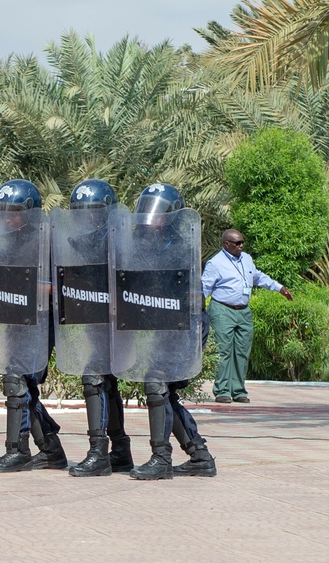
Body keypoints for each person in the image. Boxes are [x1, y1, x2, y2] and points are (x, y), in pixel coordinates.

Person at [119, 183, 215, 480]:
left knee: (156, 382)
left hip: (185, 327)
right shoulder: (140, 244)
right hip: (162, 325)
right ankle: (199, 456)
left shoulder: (181, 245)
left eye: (158, 211)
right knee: (164, 392)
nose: (152, 216)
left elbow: (192, 295)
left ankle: (161, 457)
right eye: (148, 208)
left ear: (172, 214)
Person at [0, 179, 67, 473]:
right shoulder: (6, 241)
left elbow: (56, 287)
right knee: (22, 387)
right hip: (13, 323)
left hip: (39, 324)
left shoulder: (46, 241)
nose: (8, 217)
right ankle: (51, 449)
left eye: (14, 211)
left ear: (30, 211)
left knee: (16, 382)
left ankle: (17, 450)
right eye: (3, 210)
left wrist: (20, 285)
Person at [61, 179, 135, 477]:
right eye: (81, 212)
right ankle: (120, 450)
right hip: (93, 320)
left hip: (118, 324)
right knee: (106, 382)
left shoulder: (121, 240)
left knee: (94, 377)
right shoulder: (79, 242)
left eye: (92, 211)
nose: (87, 217)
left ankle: (98, 453)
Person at [202, 228, 293, 403]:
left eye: (242, 242)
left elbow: (258, 277)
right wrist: (196, 308)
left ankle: (238, 391)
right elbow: (204, 287)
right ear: (226, 244)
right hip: (222, 309)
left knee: (242, 351)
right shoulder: (215, 263)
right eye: (237, 243)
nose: (241, 246)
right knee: (223, 351)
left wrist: (279, 287)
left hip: (243, 311)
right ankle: (222, 391)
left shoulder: (247, 259)